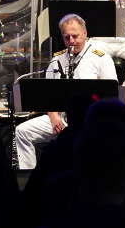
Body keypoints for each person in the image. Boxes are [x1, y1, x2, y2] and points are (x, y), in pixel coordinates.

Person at [14, 14, 117, 169]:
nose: (71, 41)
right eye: (66, 37)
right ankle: (28, 176)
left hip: (89, 120)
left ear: (85, 33)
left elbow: (111, 93)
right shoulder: (57, 60)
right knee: (22, 131)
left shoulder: (100, 58)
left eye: (75, 36)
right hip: (61, 119)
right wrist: (54, 117)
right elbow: (48, 94)